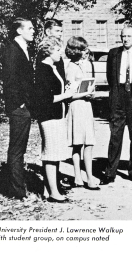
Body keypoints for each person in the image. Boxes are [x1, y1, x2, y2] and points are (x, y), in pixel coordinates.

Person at [33, 36, 88, 202]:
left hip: (57, 115)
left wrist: (68, 89)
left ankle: (48, 190)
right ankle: (54, 193)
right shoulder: (43, 69)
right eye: (57, 50)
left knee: (54, 153)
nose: (60, 53)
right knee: (51, 154)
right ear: (48, 51)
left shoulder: (53, 66)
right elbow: (44, 99)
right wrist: (67, 94)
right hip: (49, 116)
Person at [103, 24, 132, 183]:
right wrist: (116, 94)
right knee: (115, 136)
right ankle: (110, 173)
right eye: (123, 36)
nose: (125, 39)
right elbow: (110, 77)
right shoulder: (114, 53)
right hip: (119, 96)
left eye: (129, 36)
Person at [2, 18, 36, 200]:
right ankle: (16, 191)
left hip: (23, 107)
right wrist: (19, 104)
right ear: (19, 31)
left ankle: (18, 187)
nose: (33, 31)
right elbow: (9, 81)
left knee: (19, 148)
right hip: (18, 108)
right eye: (30, 28)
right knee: (16, 149)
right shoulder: (12, 50)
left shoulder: (23, 48)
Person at [63, 36, 100, 190]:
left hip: (86, 106)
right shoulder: (71, 67)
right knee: (78, 144)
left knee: (89, 143)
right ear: (76, 51)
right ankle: (79, 177)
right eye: (83, 49)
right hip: (77, 107)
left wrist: (91, 93)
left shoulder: (84, 65)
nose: (86, 52)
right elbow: (69, 94)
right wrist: (85, 94)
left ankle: (89, 177)